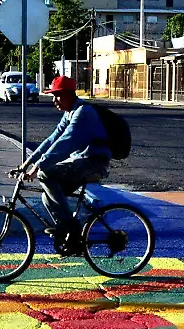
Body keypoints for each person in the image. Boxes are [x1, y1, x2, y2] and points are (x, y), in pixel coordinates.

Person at [16, 75, 112, 254]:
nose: (54, 100)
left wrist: (38, 167)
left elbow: (65, 144)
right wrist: (27, 162)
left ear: (69, 94)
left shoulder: (83, 113)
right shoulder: (71, 112)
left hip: (94, 162)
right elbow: (53, 139)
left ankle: (72, 230)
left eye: (57, 95)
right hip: (81, 160)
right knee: (48, 196)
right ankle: (69, 236)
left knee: (46, 175)